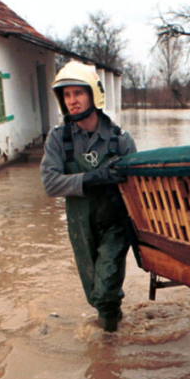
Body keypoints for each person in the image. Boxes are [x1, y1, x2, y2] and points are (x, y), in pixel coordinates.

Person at [41, 61, 137, 332]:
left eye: (78, 93)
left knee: (106, 289)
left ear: (94, 95)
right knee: (95, 294)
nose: (72, 101)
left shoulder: (121, 141)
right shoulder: (58, 139)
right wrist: (92, 178)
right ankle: (114, 328)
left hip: (115, 224)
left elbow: (138, 189)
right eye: (67, 95)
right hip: (79, 225)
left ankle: (108, 354)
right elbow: (50, 183)